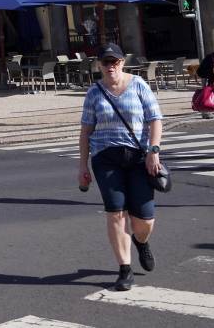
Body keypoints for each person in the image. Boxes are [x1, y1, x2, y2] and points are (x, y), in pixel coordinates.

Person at [77, 43, 163, 293]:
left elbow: (155, 119)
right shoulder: (94, 92)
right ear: (99, 65)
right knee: (115, 213)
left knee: (144, 220)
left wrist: (153, 151)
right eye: (106, 62)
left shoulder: (138, 84)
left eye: (115, 61)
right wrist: (82, 165)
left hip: (139, 158)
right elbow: (85, 131)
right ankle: (124, 269)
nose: (110, 66)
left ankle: (141, 241)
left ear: (123, 62)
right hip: (105, 159)